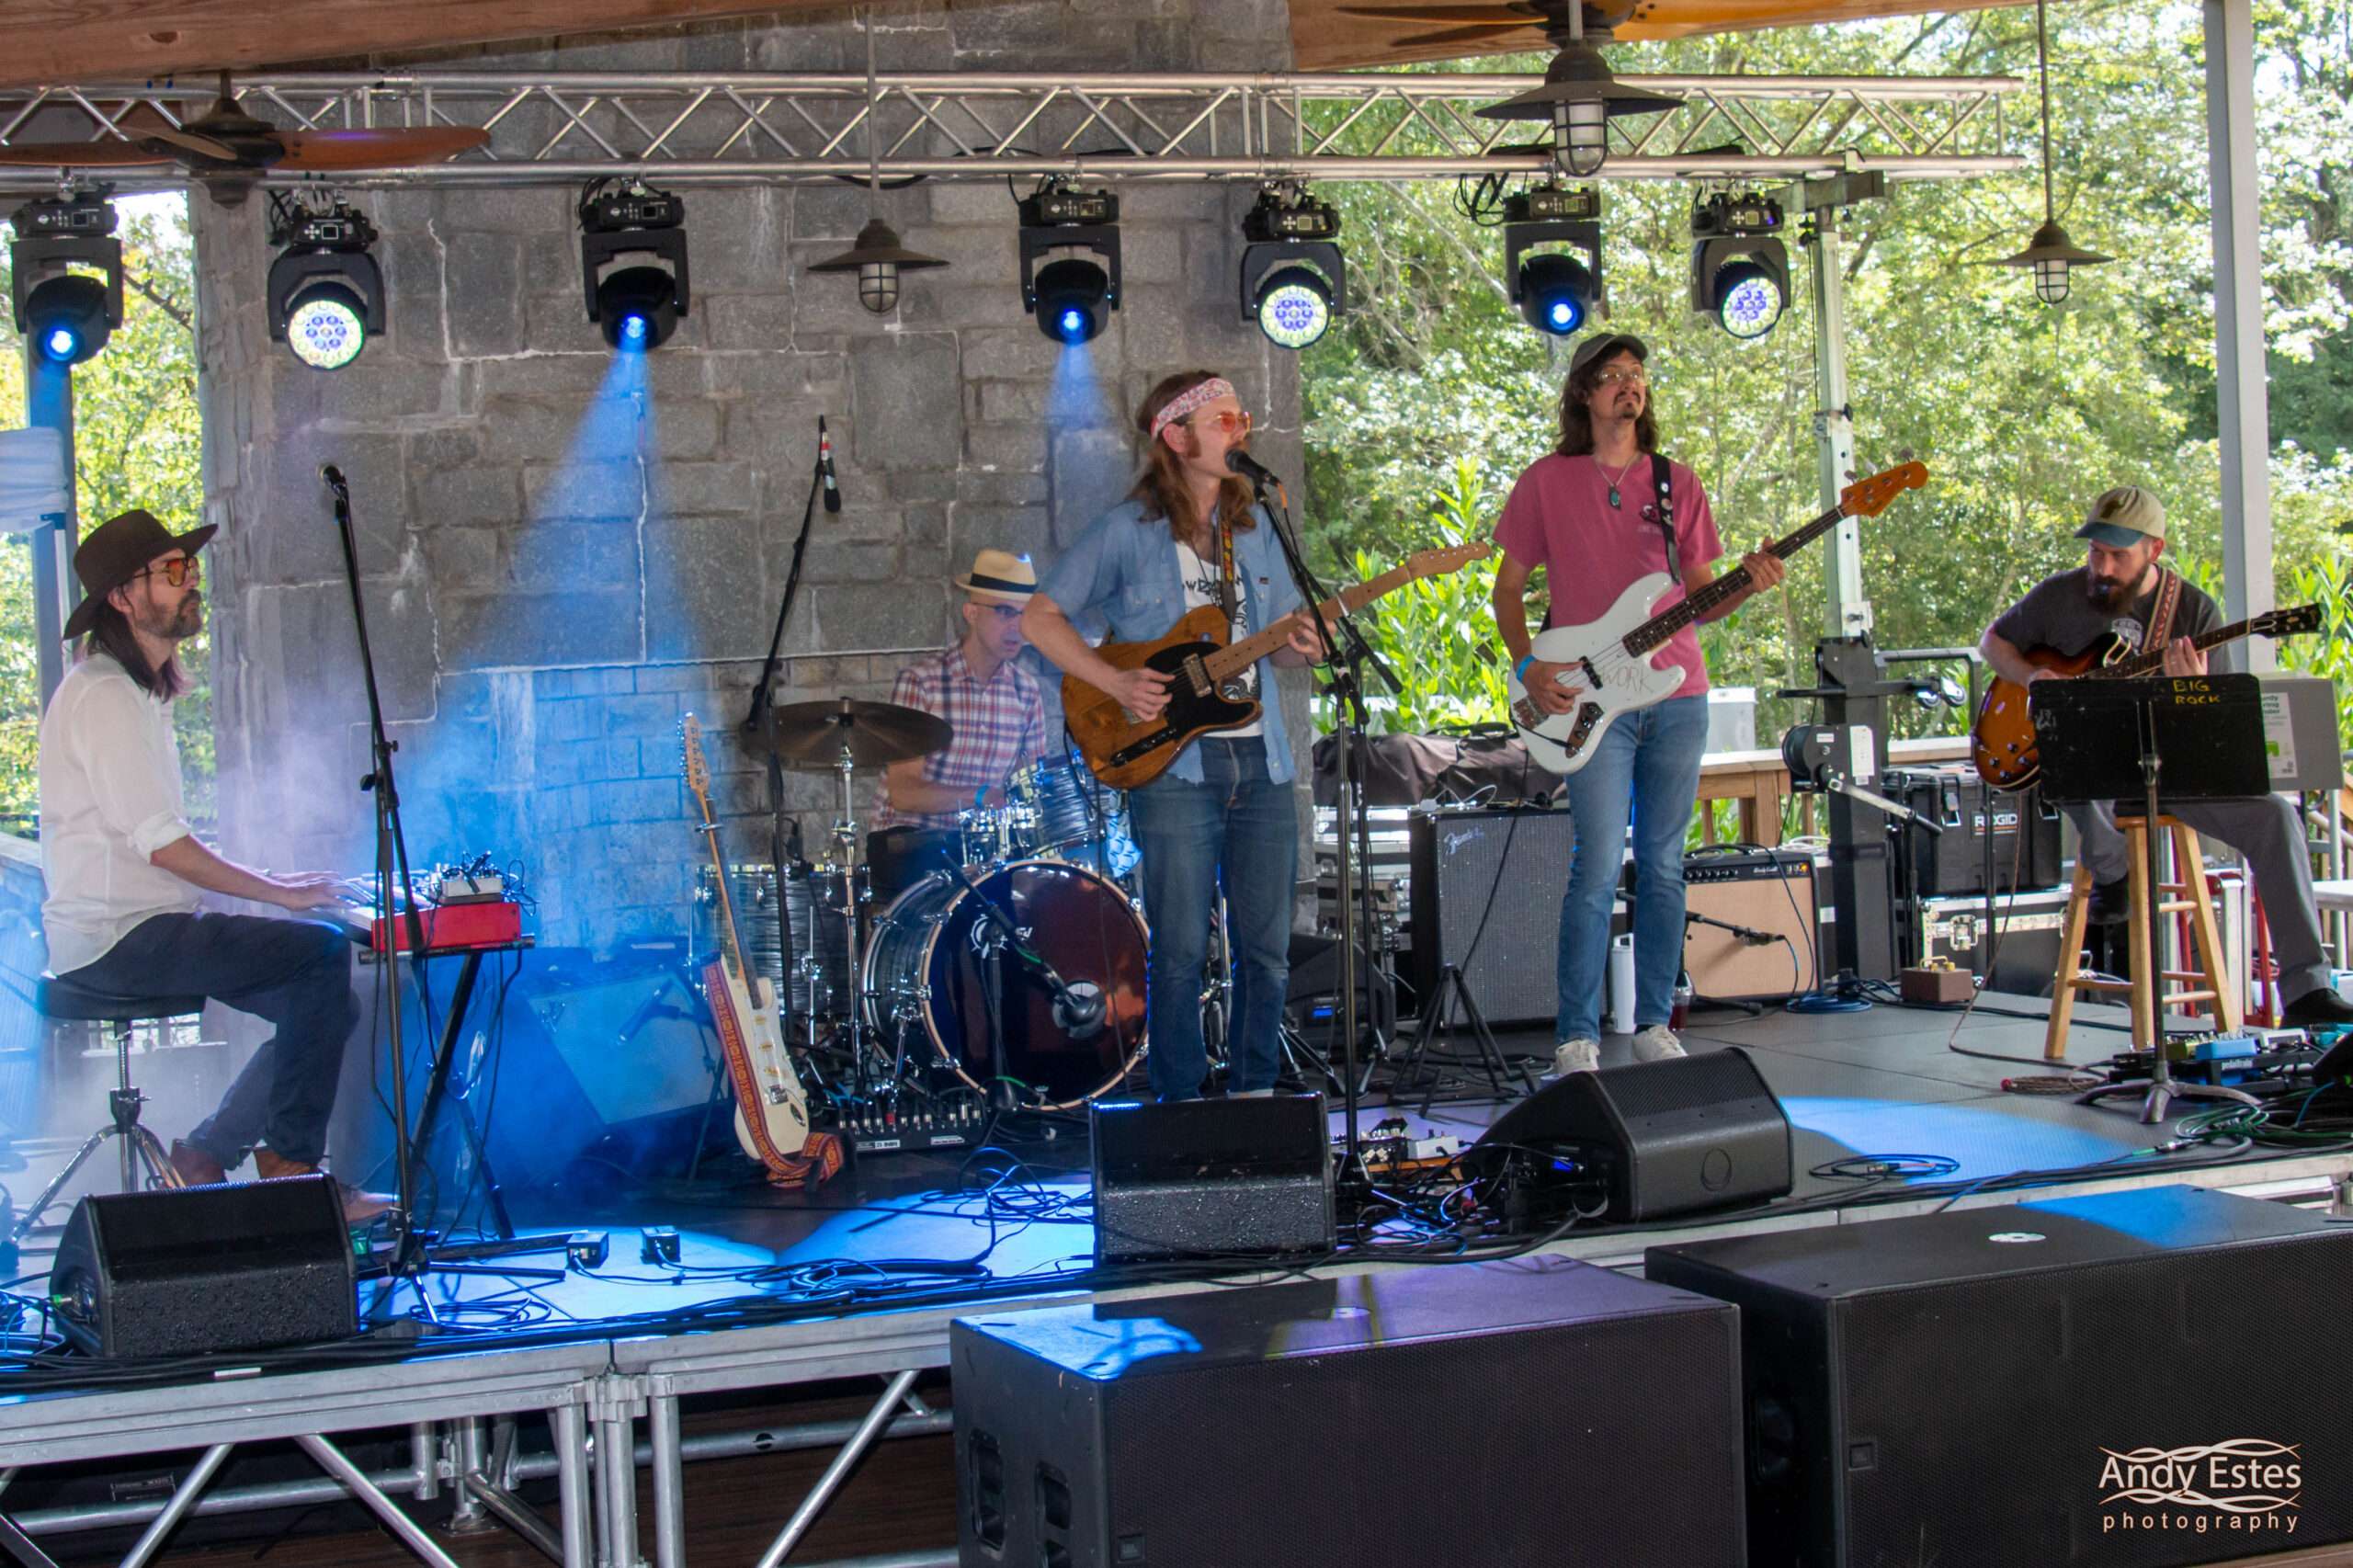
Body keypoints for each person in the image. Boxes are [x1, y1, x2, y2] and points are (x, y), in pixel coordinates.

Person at [37, 509, 390, 1221]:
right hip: (116, 940)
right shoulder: (105, 695)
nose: (190, 580)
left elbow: (158, 841)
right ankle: (292, 1175)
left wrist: (275, 888)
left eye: (190, 567)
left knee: (327, 1003)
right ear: (122, 597)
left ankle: (205, 1156)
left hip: (139, 928)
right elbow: (162, 845)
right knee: (319, 959)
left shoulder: (135, 692)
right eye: (171, 571)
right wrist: (277, 894)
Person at [1023, 371, 1327, 1101]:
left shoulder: (1256, 529)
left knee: (1267, 951)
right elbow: (1040, 617)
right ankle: (1180, 1103)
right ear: (1177, 437)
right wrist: (1114, 681)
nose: (1240, 430)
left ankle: (1257, 1096)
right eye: (1224, 420)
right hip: (1175, 772)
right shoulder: (1127, 531)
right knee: (1182, 951)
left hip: (1263, 761)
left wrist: (1305, 646)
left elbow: (1279, 644)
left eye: (1242, 418)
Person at [1490, 334, 1787, 1077]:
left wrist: (1748, 583)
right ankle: (1576, 1037)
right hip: (1590, 700)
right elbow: (1507, 589)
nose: (1630, 385)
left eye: (1637, 375)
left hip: (1677, 695)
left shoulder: (1676, 482)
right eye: (1613, 375)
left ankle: (1656, 1022)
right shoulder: (1545, 482)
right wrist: (1528, 665)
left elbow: (1702, 597)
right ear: (1584, 393)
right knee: (1595, 868)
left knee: (1662, 865)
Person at [1980, 485, 2353, 1029]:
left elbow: (2216, 731)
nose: (2103, 567)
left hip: (2172, 772)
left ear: (2154, 549)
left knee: (2276, 815)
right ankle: (2114, 874)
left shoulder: (2194, 610)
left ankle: (2307, 990)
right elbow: (1993, 642)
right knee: (2074, 751)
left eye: (2118, 555)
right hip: (2092, 774)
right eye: (2096, 552)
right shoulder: (2059, 596)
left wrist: (2194, 690)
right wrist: (2032, 675)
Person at [868, 548, 1051, 903]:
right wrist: (980, 796)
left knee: (1034, 907)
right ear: (971, 613)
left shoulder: (1026, 692)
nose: (1017, 627)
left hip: (981, 849)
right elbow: (904, 793)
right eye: (1005, 612)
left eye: (1024, 615)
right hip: (910, 841)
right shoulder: (921, 682)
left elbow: (1030, 789)